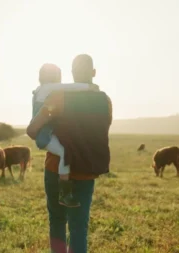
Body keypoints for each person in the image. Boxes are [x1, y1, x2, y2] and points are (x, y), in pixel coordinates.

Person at [27, 54, 112, 253]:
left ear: (72, 74)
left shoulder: (58, 97)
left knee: (57, 222)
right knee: (79, 228)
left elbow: (32, 130)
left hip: (55, 169)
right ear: (94, 72)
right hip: (86, 170)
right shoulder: (105, 101)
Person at [31, 63, 96, 208]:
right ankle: (65, 194)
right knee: (65, 153)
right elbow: (70, 87)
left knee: (65, 150)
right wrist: (88, 87)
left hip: (46, 133)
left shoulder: (40, 90)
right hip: (44, 135)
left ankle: (65, 191)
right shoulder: (49, 88)